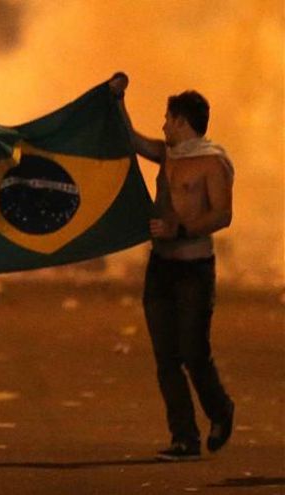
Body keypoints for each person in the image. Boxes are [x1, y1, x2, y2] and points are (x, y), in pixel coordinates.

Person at [110, 74, 236, 461]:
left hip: (194, 269)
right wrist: (116, 98)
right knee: (165, 356)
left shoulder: (212, 163)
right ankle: (184, 437)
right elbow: (128, 138)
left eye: (167, 119)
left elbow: (222, 215)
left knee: (193, 352)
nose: (162, 125)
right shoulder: (167, 155)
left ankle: (220, 411)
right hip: (161, 266)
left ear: (182, 122)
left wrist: (178, 228)